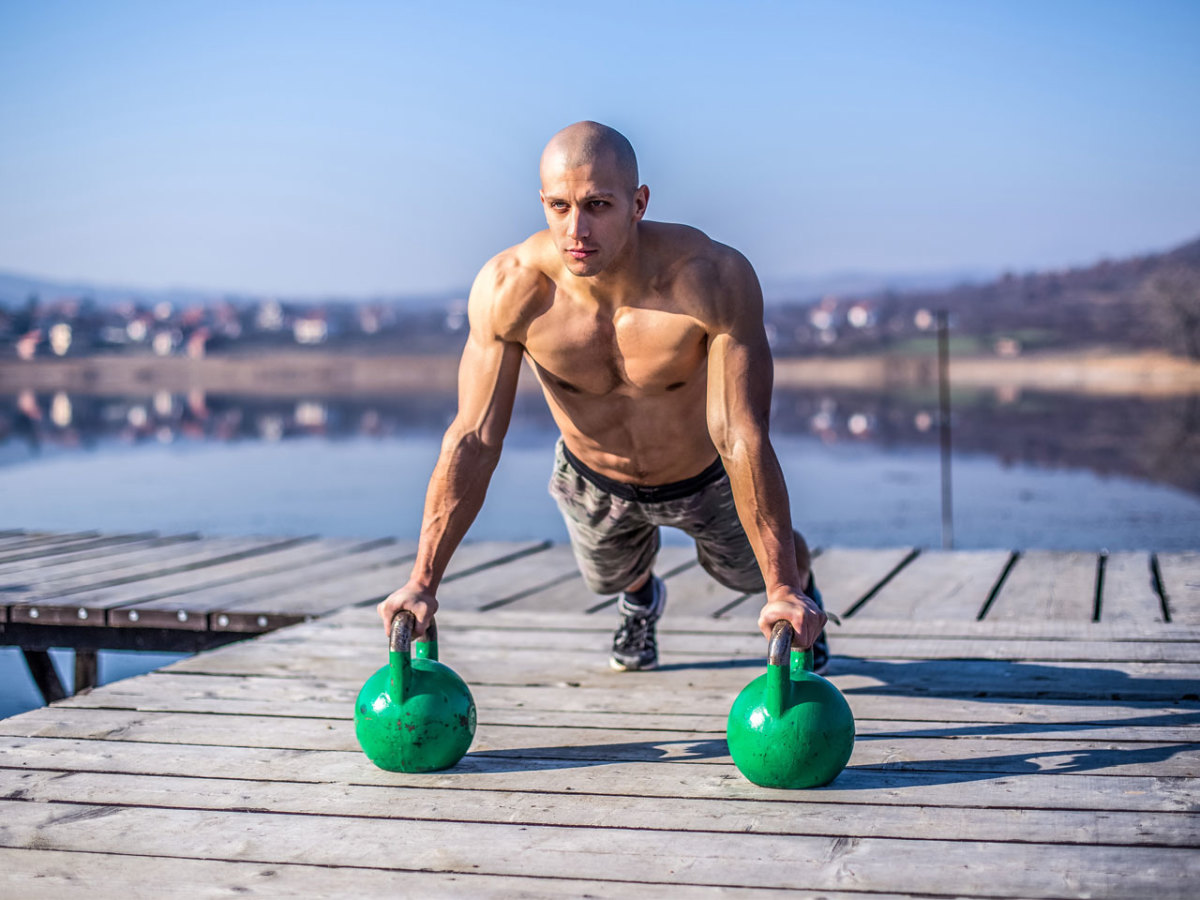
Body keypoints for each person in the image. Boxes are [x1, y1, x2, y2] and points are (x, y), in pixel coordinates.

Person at [378, 121, 828, 672]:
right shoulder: (510, 289)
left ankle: (805, 590)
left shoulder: (711, 278)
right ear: (542, 202)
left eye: (598, 205)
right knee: (607, 577)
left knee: (753, 573)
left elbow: (740, 434)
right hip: (593, 476)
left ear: (638, 203)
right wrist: (422, 581)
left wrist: (782, 586)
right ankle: (640, 597)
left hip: (705, 475)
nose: (577, 229)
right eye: (560, 206)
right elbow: (473, 437)